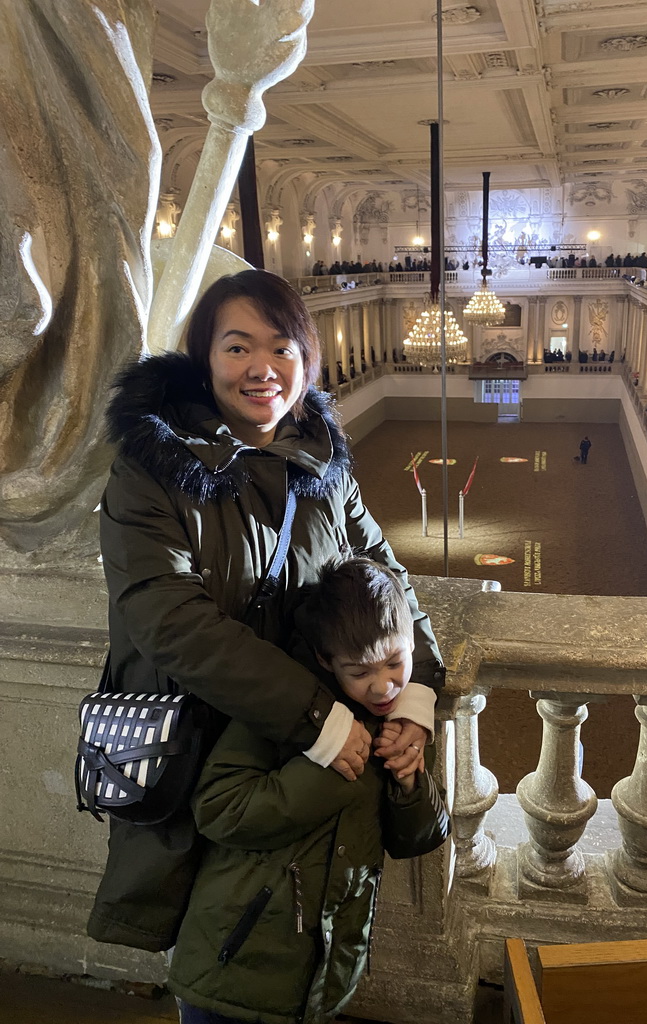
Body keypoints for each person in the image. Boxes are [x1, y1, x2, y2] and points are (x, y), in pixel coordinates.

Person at [87, 269, 444, 954]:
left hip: (304, 758)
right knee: (214, 953)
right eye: (237, 347)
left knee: (298, 939)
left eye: (282, 347)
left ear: (306, 358)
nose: (263, 369)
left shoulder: (323, 461)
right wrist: (319, 717)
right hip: (202, 756)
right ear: (204, 357)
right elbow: (167, 620)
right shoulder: (149, 470)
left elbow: (388, 580)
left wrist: (414, 696)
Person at [167, 557, 451, 1023]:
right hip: (231, 967)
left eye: (395, 662)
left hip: (323, 974)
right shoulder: (285, 707)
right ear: (325, 660)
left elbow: (416, 839)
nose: (383, 686)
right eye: (359, 672)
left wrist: (409, 781)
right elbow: (218, 809)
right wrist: (333, 767)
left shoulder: (403, 722)